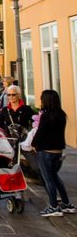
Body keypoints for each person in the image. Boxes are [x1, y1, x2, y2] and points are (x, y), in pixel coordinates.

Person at [32, 89, 76, 217]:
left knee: (48, 179)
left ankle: (53, 206)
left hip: (46, 151)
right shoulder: (61, 114)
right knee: (55, 178)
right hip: (58, 151)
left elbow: (40, 133)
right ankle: (67, 204)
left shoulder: (46, 116)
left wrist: (34, 144)